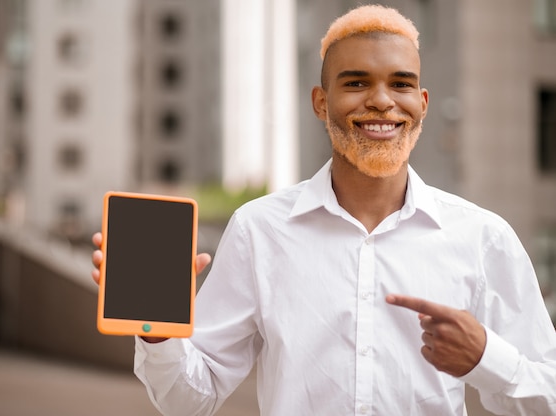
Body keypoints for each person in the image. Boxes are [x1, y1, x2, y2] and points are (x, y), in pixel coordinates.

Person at [91, 5, 556, 415]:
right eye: (356, 83)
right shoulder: (259, 231)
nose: (381, 100)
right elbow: (188, 401)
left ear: (422, 103)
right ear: (320, 102)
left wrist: (486, 358)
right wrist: (156, 331)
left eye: (401, 84)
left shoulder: (483, 238)